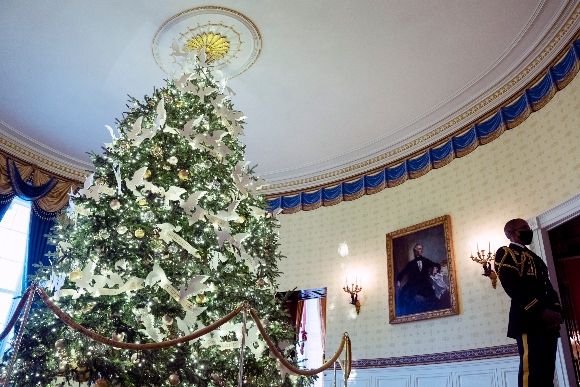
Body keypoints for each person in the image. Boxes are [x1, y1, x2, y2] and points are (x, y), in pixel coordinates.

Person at [494, 218, 563, 387]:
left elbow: (547, 287)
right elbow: (513, 287)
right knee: (530, 370)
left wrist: (557, 311)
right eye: (524, 228)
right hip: (528, 319)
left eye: (528, 227)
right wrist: (540, 311)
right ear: (511, 234)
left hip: (548, 322)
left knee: (547, 370)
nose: (528, 230)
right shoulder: (506, 253)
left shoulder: (535, 258)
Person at [396, 244, 441, 315]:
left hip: (424, 284)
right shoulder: (410, 264)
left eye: (421, 249)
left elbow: (436, 264)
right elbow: (401, 273)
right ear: (415, 252)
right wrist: (398, 281)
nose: (421, 250)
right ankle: (408, 315)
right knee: (403, 295)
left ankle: (432, 314)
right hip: (413, 285)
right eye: (419, 249)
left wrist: (435, 268)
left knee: (432, 295)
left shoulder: (426, 261)